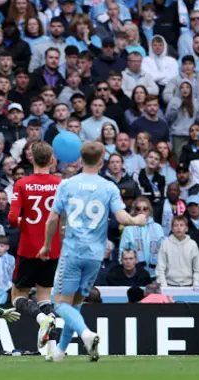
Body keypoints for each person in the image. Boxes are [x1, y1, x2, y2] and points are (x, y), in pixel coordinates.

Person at [37, 141, 147, 362]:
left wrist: (47, 245)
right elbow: (122, 218)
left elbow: (52, 218)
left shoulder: (68, 185)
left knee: (60, 303)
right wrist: (138, 220)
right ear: (101, 161)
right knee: (76, 303)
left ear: (81, 158)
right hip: (96, 255)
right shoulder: (108, 187)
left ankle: (86, 334)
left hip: (72, 252)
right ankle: (60, 351)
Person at [7, 141, 62, 354]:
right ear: (51, 160)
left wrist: (27, 223)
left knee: (18, 296)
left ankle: (42, 319)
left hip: (29, 247)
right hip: (52, 248)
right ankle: (52, 349)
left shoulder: (22, 183)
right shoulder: (60, 184)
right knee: (45, 296)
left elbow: (12, 218)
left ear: (31, 159)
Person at [156, 216, 199, 287]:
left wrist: (195, 284)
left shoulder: (192, 244)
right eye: (176, 225)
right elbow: (160, 267)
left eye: (181, 225)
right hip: (169, 285)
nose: (178, 228)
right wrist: (164, 285)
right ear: (172, 229)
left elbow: (197, 268)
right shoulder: (165, 244)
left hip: (189, 285)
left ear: (186, 228)